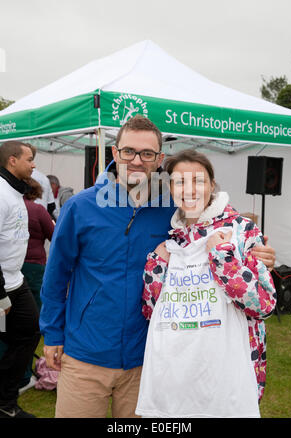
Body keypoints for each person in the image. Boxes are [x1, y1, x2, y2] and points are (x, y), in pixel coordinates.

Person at [39, 115, 276, 418]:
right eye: (129, 151)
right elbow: (56, 274)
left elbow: (212, 219)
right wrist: (53, 334)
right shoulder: (81, 207)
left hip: (146, 356)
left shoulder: (172, 208)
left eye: (147, 154)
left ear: (159, 159)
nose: (137, 160)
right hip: (86, 353)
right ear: (115, 153)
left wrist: (253, 250)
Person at [136, 150, 277, 418]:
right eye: (180, 182)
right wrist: (156, 265)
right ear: (170, 188)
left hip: (229, 372)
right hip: (181, 373)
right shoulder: (173, 239)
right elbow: (153, 311)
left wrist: (223, 258)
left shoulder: (241, 230)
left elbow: (264, 305)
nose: (189, 189)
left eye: (198, 181)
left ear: (212, 185)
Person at [0, 141, 40, 418]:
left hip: (16, 280)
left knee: (30, 331)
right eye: (30, 159)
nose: (34, 164)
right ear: (12, 161)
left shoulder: (15, 192)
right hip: (1, 287)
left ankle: (6, 402)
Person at [22, 178, 54, 311]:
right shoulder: (38, 210)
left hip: (11, 263)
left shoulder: (10, 205)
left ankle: (4, 328)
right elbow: (54, 235)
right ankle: (36, 330)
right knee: (35, 301)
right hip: (34, 264)